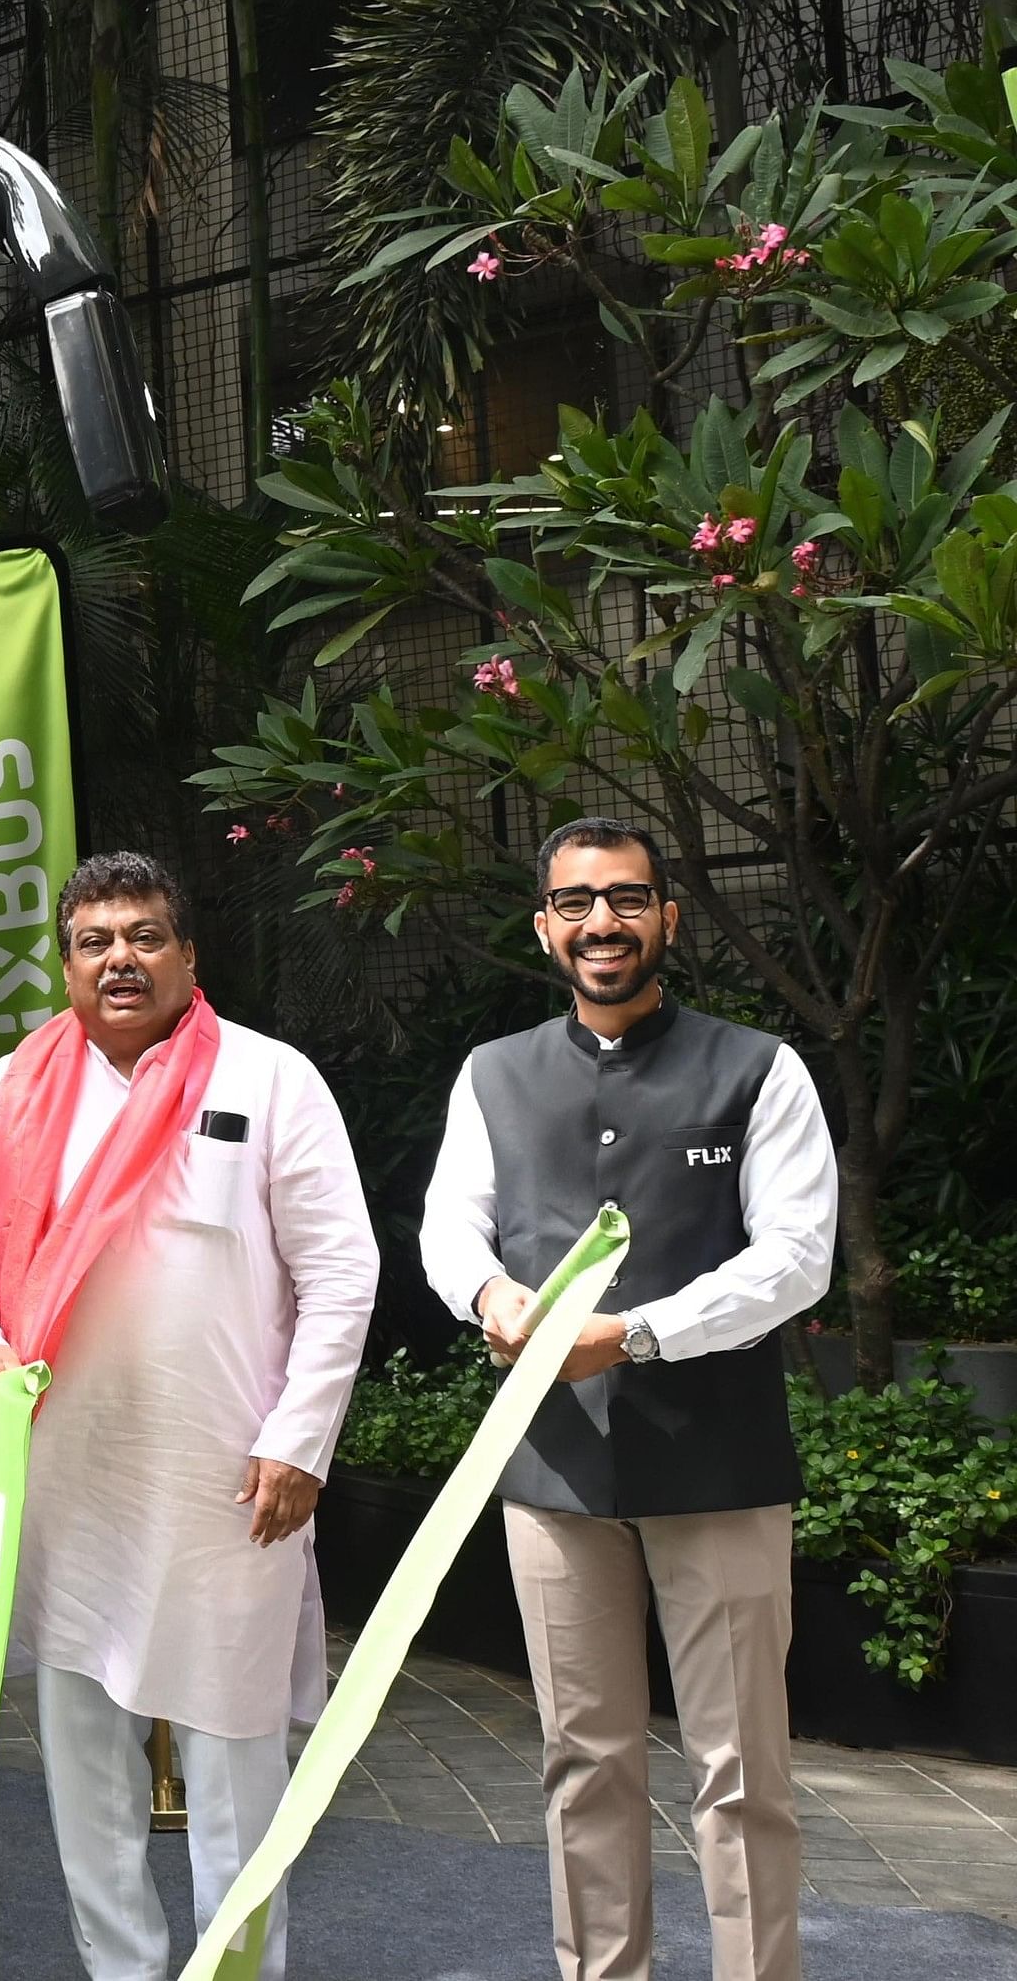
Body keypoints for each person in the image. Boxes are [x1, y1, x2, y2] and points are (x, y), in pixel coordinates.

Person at [0, 851, 377, 1981]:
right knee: (83, 1766)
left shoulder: (270, 1080)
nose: (118, 958)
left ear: (187, 956)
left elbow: (342, 1271)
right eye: (93, 941)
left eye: (143, 936)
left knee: (233, 1760)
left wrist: (297, 1439)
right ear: (67, 964)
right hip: (65, 1478)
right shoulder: (12, 1089)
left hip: (229, 1481)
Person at [422, 817, 833, 1981]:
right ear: (545, 925)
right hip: (549, 1471)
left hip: (723, 1466)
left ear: (666, 915)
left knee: (741, 1767)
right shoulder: (491, 1074)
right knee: (582, 1758)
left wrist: (638, 1335)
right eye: (575, 903)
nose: (601, 922)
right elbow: (449, 1224)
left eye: (625, 899)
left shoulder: (758, 1066)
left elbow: (796, 1257)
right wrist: (491, 1296)